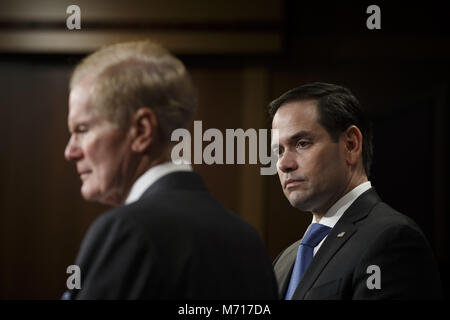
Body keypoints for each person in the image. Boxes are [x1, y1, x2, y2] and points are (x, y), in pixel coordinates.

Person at [62, 40, 278, 299]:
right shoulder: (248, 240)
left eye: (82, 130)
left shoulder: (128, 231)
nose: (70, 151)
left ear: (141, 130)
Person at [269, 82, 443, 299]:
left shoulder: (391, 240)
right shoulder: (285, 260)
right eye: (279, 150)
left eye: (302, 143)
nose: (284, 163)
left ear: (350, 145)